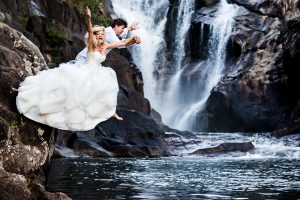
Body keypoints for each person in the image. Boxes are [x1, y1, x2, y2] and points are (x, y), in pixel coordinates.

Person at [16, 6, 141, 131]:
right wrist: (89, 18)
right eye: (100, 34)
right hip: (85, 67)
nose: (102, 36)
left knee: (105, 87)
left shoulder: (107, 44)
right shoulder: (92, 45)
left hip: (97, 70)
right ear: (96, 36)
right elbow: (90, 30)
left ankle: (109, 111)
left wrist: (134, 39)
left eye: (103, 34)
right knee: (76, 88)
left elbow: (123, 43)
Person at [75, 18, 140, 63]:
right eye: (122, 28)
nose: (123, 30)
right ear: (116, 26)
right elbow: (121, 44)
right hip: (85, 58)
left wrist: (131, 28)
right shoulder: (110, 33)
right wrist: (133, 40)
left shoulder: (110, 31)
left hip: (92, 60)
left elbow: (122, 33)